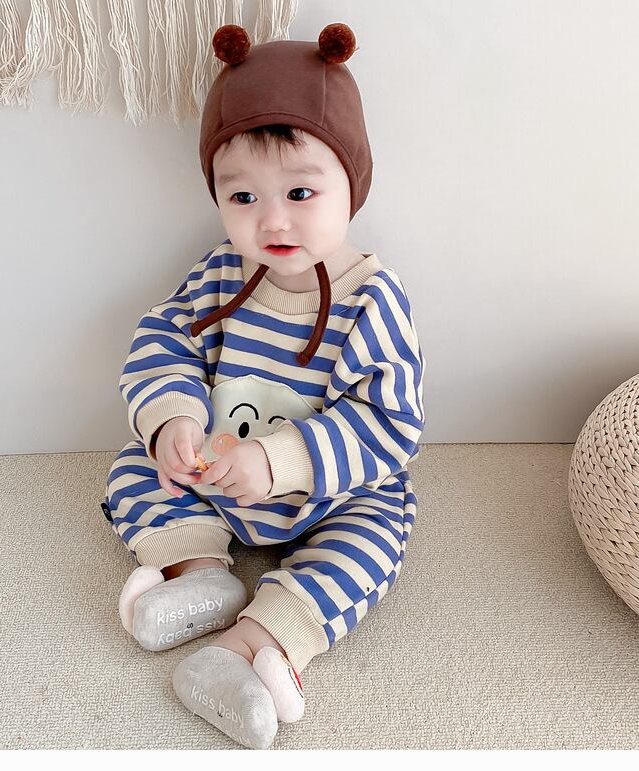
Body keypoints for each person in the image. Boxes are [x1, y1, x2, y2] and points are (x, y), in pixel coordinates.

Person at [101, 22, 426, 749]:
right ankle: (196, 570)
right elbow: (165, 339)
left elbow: (389, 422)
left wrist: (279, 462)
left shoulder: (371, 299)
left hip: (331, 494)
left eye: (301, 191)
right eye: (243, 195)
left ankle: (254, 644)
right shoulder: (221, 273)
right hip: (217, 472)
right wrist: (175, 420)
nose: (272, 219)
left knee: (379, 531)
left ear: (352, 184)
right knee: (134, 465)